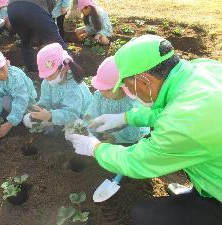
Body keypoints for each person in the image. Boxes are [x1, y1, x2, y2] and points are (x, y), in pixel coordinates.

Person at [66, 34, 222, 225]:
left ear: (144, 81)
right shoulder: (201, 69)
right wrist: (126, 117)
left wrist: (94, 148)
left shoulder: (184, 122)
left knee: (144, 214)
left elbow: (137, 161)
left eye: (127, 85)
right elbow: (169, 112)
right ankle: (201, 191)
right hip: (214, 169)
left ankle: (207, 201)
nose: (128, 91)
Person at [23, 43, 92, 130]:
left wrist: (51, 116)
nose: (48, 79)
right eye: (45, 76)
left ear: (65, 67)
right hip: (57, 114)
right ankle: (57, 125)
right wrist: (40, 108)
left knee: (72, 130)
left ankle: (59, 127)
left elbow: (72, 114)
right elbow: (46, 99)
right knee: (27, 120)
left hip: (80, 117)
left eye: (51, 75)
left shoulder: (74, 87)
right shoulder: (47, 81)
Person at [85, 56, 149, 144]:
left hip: (132, 138)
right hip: (108, 132)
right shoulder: (99, 95)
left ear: (122, 87)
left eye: (108, 89)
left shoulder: (133, 103)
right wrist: (87, 129)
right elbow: (92, 113)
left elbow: (135, 129)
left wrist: (115, 137)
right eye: (100, 87)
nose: (102, 92)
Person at [0, 47, 37, 139]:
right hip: (8, 102)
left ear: (6, 62)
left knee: (6, 101)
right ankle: (8, 118)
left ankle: (20, 119)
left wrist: (10, 123)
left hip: (26, 103)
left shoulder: (15, 76)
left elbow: (21, 100)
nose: (1, 74)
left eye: (2, 69)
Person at [7, 0, 67, 72]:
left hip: (12, 8)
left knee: (26, 41)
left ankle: (32, 70)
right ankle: (70, 67)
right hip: (35, 7)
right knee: (56, 40)